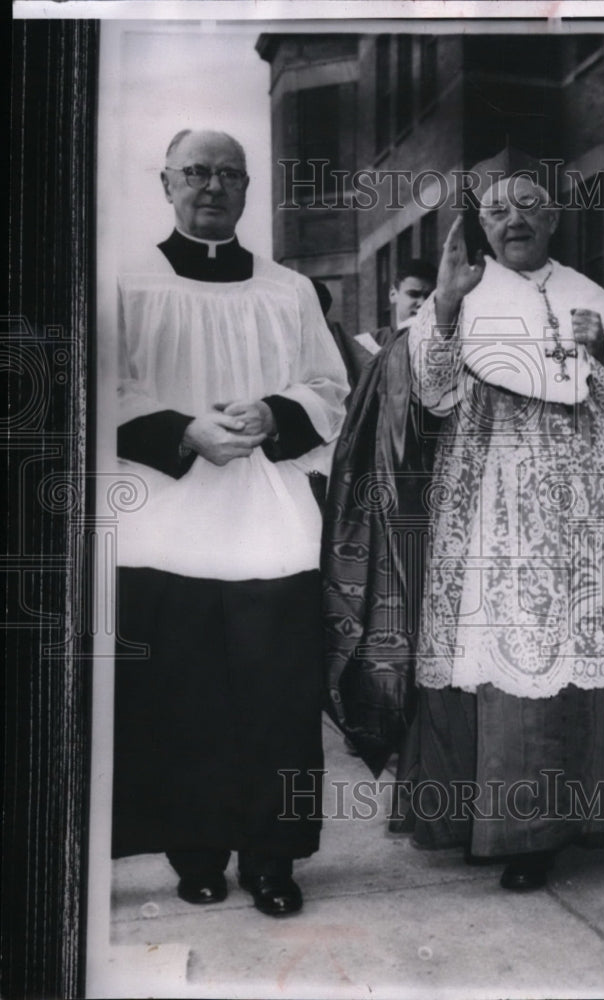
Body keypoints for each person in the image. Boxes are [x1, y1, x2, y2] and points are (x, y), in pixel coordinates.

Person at [400, 152, 604, 891]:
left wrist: (603, 353)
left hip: (586, 504)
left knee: (587, 638)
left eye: (528, 206)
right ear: (480, 223)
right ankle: (523, 832)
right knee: (511, 641)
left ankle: (603, 813)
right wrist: (440, 308)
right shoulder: (462, 289)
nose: (513, 219)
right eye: (496, 210)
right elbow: (432, 396)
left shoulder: (588, 292)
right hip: (496, 500)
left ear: (553, 218)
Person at [112, 129, 349, 915]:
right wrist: (182, 430)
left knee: (277, 704)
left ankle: (274, 860)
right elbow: (93, 391)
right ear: (166, 182)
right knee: (184, 704)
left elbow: (331, 387)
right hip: (165, 525)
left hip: (267, 524)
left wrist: (274, 410)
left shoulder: (287, 289)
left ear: (248, 189)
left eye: (229, 175)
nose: (212, 187)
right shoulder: (125, 284)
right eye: (196, 173)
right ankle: (199, 854)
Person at [352, 258, 437, 369]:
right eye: (413, 294)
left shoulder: (440, 345)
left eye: (429, 297)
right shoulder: (368, 344)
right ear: (393, 294)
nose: (422, 303)